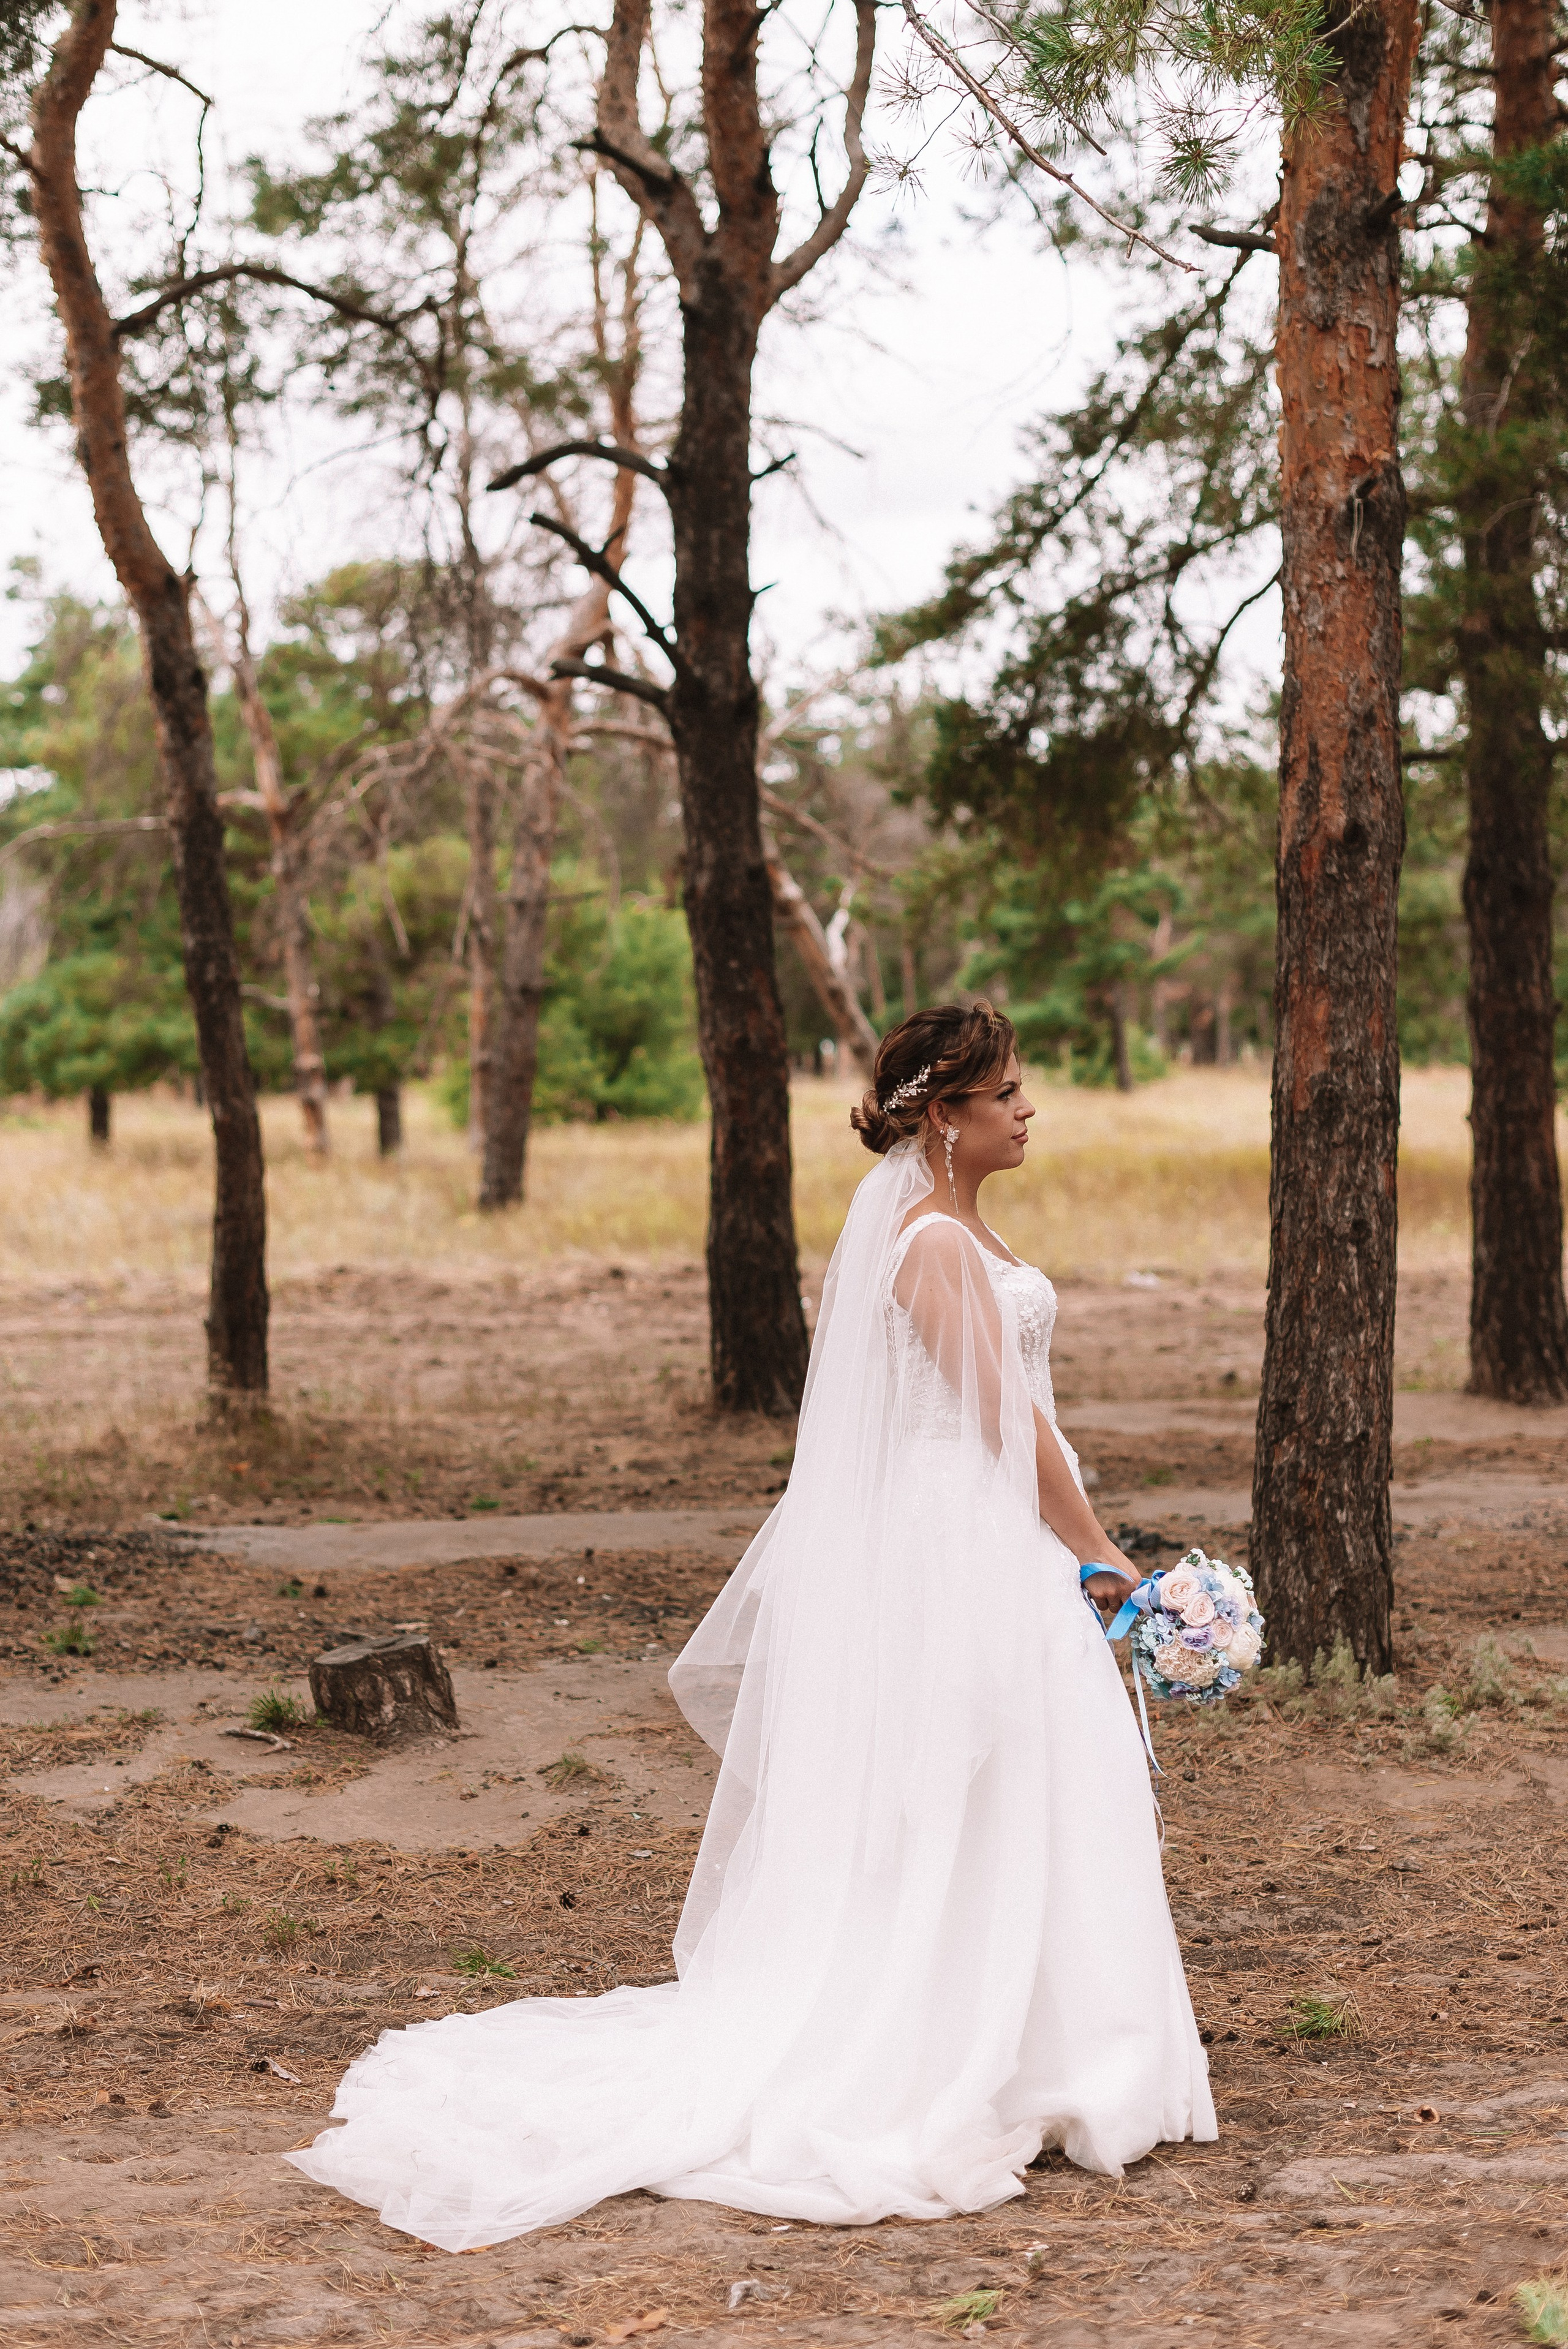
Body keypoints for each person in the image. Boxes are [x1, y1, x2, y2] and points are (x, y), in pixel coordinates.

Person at [287, 1000, 1215, 2250]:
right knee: (974, 1779)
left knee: (1024, 1779)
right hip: (967, 1540)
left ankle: (1040, 2042)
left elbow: (1024, 1416)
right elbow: (1000, 1422)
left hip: (997, 1531)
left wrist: (1079, 1548)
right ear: (945, 1116)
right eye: (1005, 1093)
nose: (1026, 1108)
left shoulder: (963, 1234)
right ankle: (970, 2046)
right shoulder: (934, 1250)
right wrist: (1100, 1555)